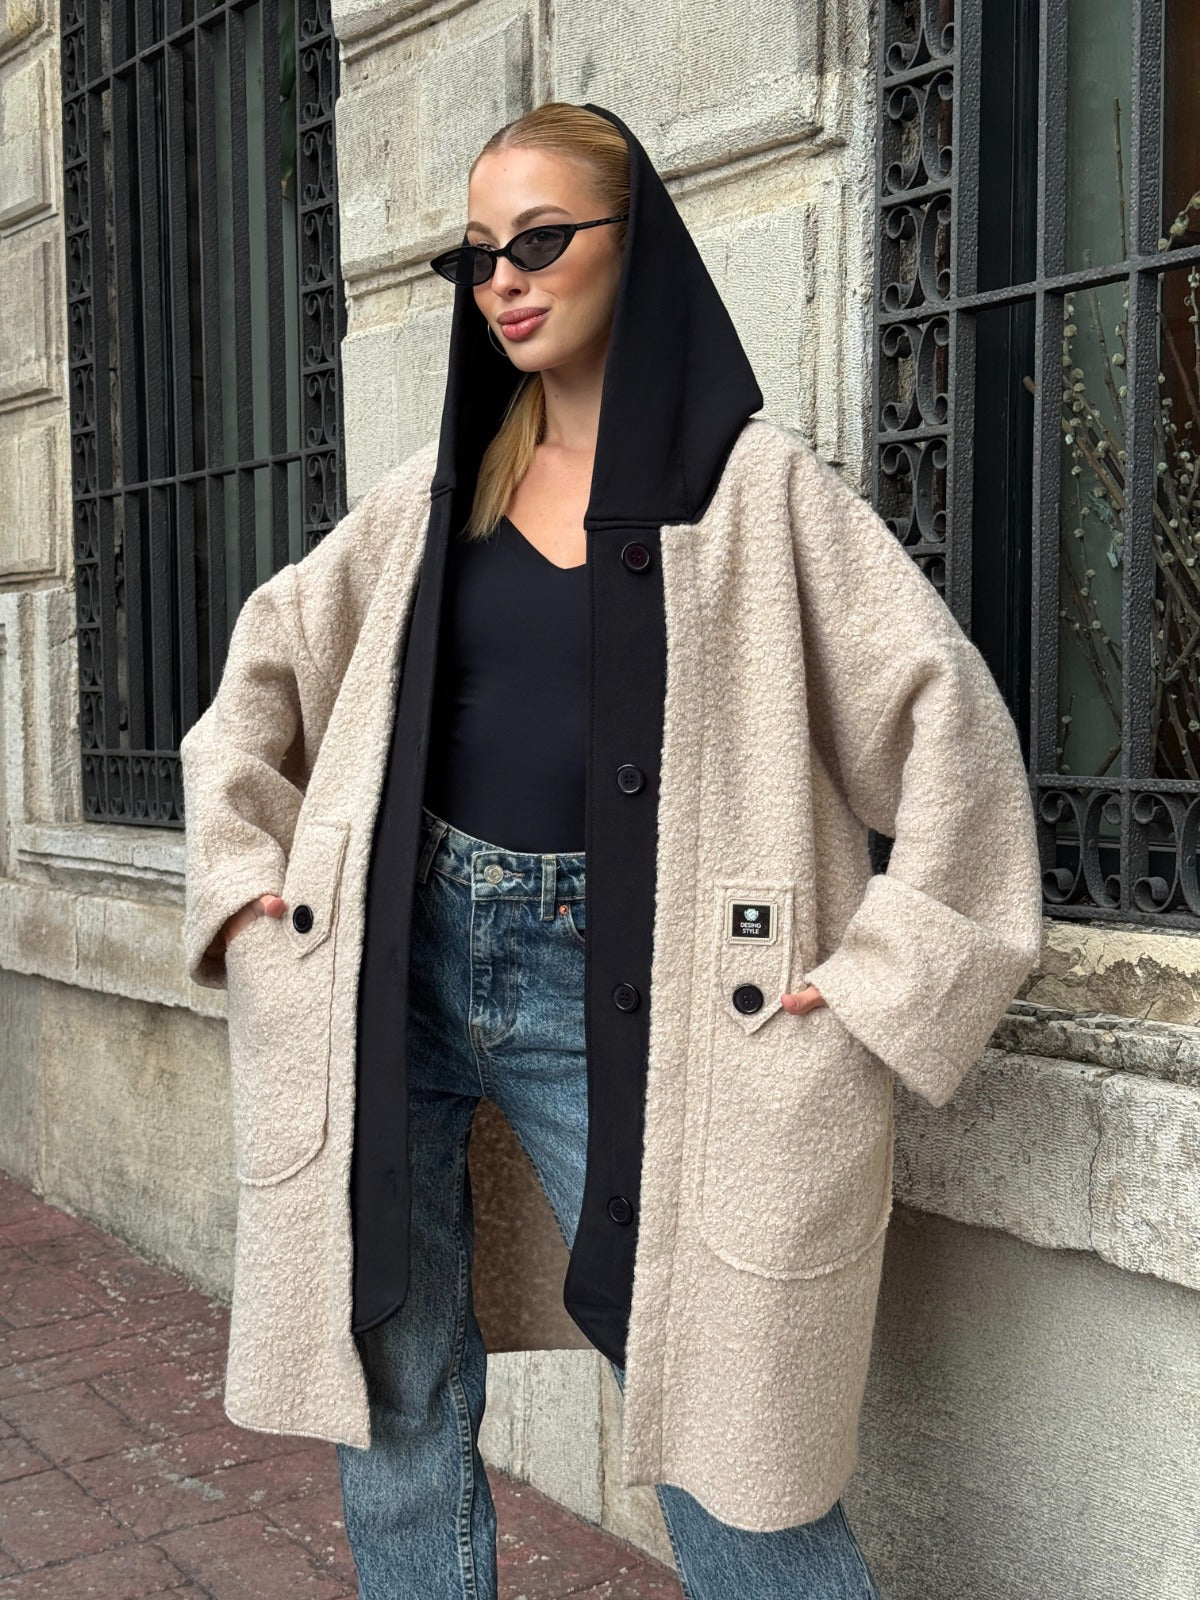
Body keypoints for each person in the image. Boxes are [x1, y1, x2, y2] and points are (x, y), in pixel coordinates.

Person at [181, 100, 1042, 1600]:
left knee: (718, 1408)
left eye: (538, 242)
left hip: (638, 984)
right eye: (476, 257)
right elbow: (259, 683)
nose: (503, 283)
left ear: (634, 243)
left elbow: (949, 727)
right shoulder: (436, 494)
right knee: (394, 1377)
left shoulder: (756, 491)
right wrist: (249, 893)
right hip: (399, 967)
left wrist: (877, 979)